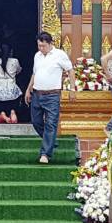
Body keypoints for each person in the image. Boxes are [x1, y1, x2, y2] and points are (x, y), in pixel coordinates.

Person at [24, 31, 73, 163]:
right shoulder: (37, 56)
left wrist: (72, 88)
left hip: (52, 95)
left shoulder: (59, 55)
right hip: (37, 93)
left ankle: (45, 154)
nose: (41, 48)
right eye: (39, 45)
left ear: (50, 44)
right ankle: (50, 141)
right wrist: (28, 90)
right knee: (36, 122)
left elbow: (70, 70)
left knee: (51, 124)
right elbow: (35, 74)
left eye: (43, 46)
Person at [0, 42, 22, 123]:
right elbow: (19, 70)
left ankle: (2, 114)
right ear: (11, 51)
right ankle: (12, 112)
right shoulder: (15, 61)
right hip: (11, 86)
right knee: (13, 101)